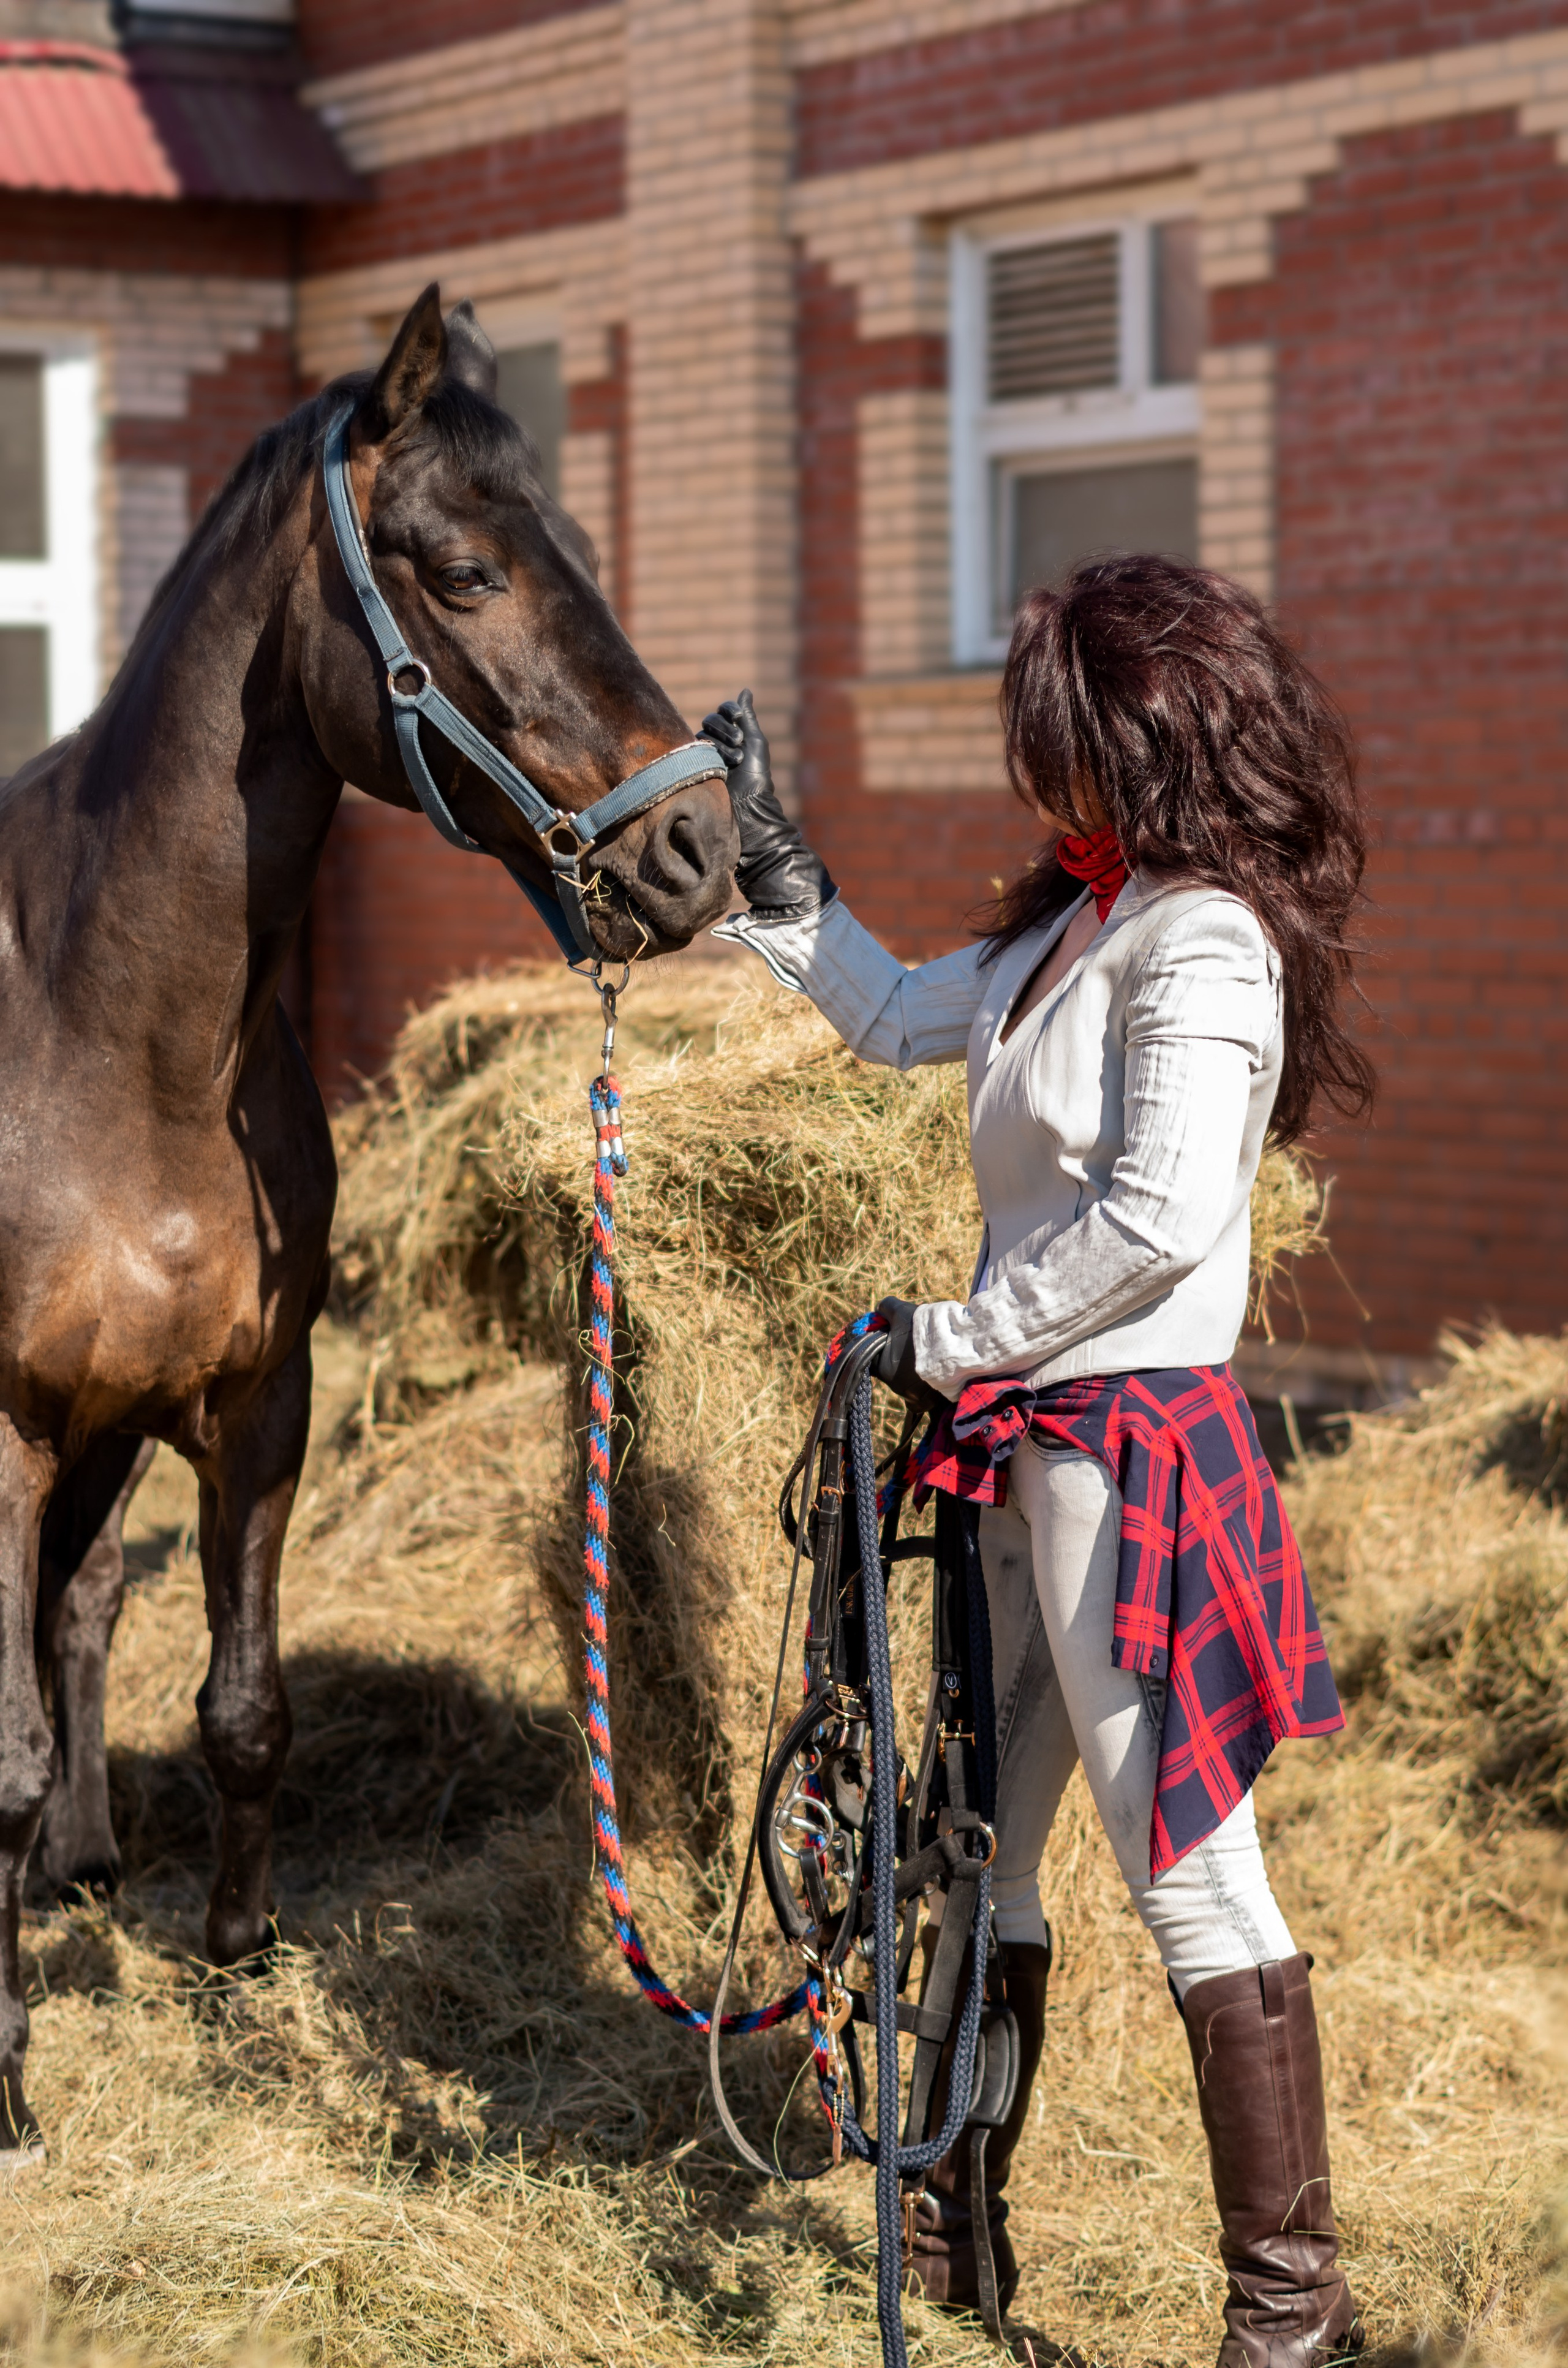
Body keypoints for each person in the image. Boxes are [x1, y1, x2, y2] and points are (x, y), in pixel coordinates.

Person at [704, 553, 1374, 2367]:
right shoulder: (1081, 920)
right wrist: (774, 879)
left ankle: (1291, 2314)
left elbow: (1161, 1219)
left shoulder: (1207, 939)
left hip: (1131, 1455)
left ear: (1148, 738)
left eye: (1065, 744)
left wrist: (945, 1337)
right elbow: (896, 1013)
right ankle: (952, 2237)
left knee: (1195, 1880)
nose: (1040, 780)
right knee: (974, 1852)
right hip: (1026, 1454)